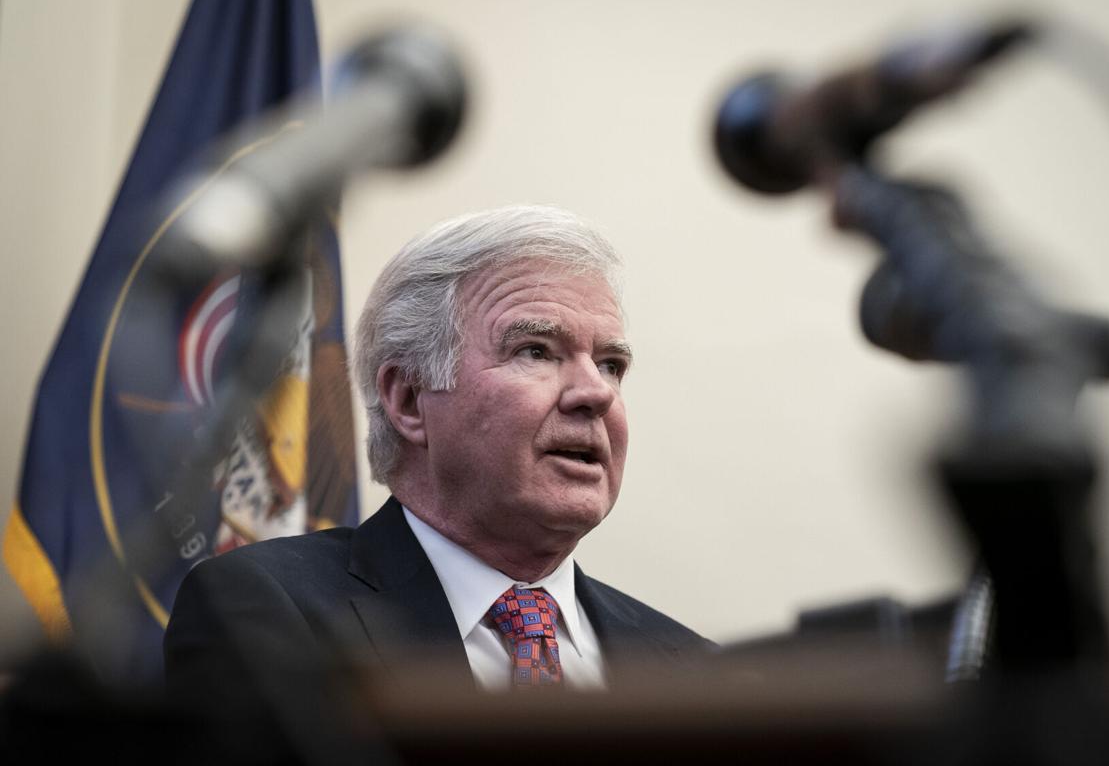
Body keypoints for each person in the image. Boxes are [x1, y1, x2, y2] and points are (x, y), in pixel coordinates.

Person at [164, 205, 711, 693]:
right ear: (408, 399)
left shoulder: (694, 669)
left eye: (611, 365)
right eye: (536, 351)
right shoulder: (269, 613)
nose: (596, 392)